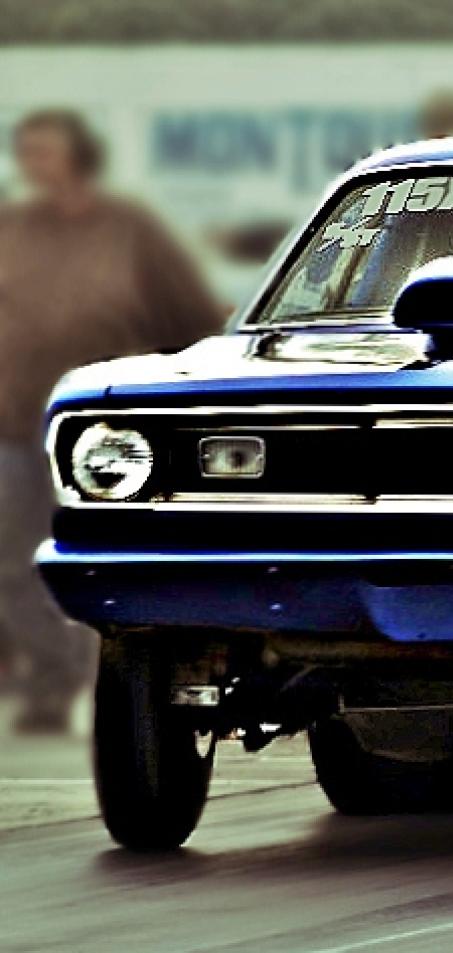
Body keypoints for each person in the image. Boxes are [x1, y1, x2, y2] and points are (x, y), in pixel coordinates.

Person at [0, 109, 225, 733]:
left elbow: (190, 313)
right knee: (12, 562)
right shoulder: (12, 229)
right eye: (26, 151)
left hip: (104, 435)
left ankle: (123, 679)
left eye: (45, 150)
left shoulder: (129, 230)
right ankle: (53, 677)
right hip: (14, 422)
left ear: (79, 154)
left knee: (100, 557)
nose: (33, 163)